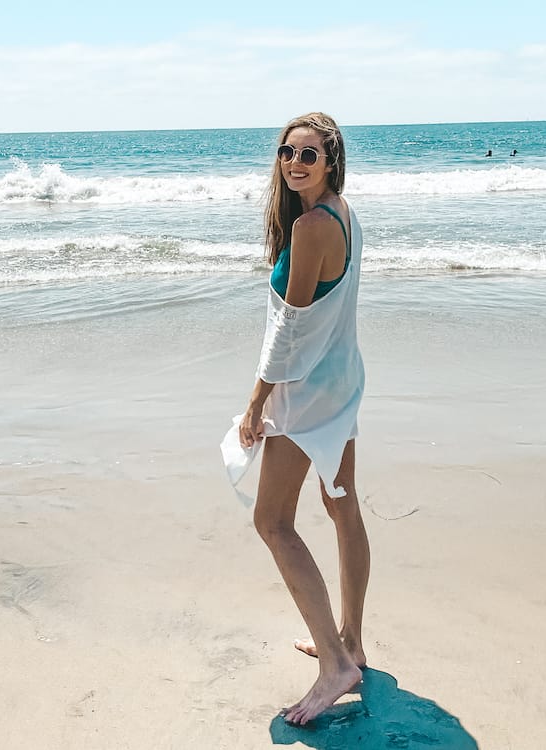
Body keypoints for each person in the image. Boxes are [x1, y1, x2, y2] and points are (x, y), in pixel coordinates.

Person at [236, 112, 369, 726]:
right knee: (342, 505)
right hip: (341, 382)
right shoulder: (344, 213)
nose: (294, 162)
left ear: (330, 162)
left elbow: (289, 333)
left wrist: (256, 401)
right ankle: (351, 643)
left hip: (306, 391)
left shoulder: (314, 225)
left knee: (272, 521)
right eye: (288, 152)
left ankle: (336, 667)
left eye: (309, 155)